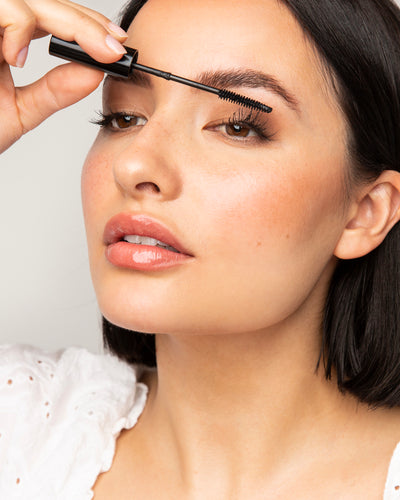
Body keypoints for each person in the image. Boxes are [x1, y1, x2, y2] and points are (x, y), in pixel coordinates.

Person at [2, 0, 400, 498]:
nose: (134, 164)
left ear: (365, 212)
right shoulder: (16, 427)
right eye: (124, 117)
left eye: (237, 127)